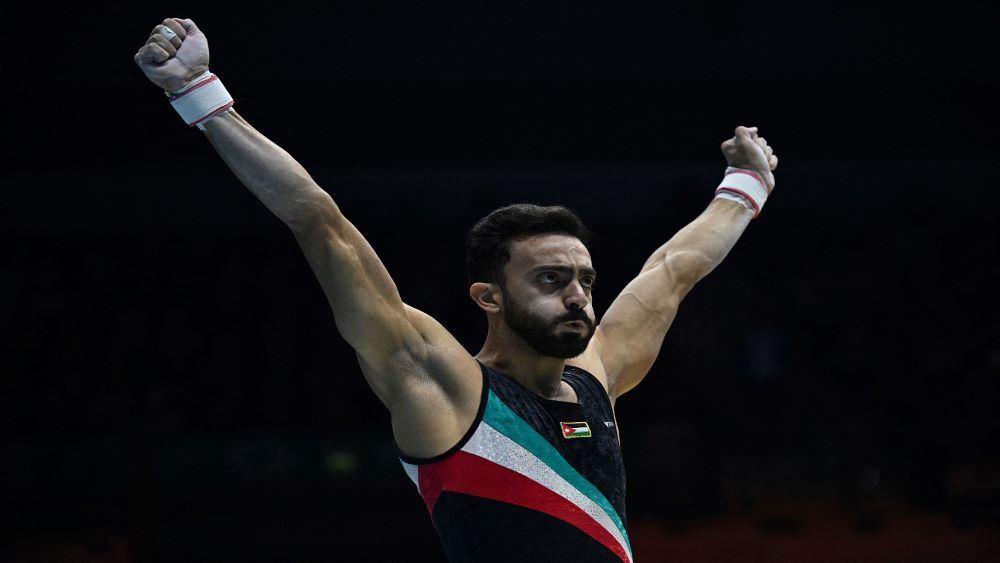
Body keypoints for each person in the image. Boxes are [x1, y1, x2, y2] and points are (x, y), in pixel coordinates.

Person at [135, 17, 779, 563]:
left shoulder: (596, 378)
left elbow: (674, 269)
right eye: (550, 279)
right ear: (488, 297)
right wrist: (198, 92)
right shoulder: (441, 384)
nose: (578, 296)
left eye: (585, 279)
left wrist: (746, 185)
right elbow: (318, 220)